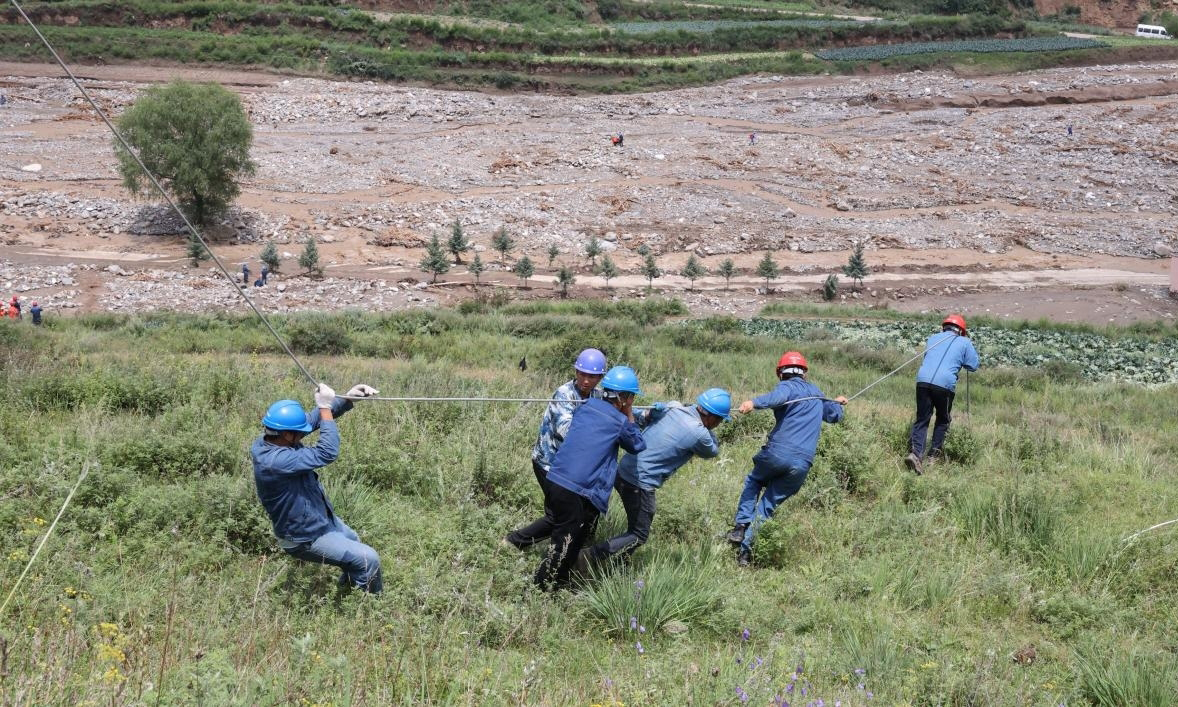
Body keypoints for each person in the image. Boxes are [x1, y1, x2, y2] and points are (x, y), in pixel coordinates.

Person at [516, 365, 646, 591]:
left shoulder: (586, 407)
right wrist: (628, 413)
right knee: (563, 544)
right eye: (631, 397)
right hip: (576, 488)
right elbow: (637, 444)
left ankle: (560, 581)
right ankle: (539, 590)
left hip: (557, 479)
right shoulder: (620, 422)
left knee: (573, 537)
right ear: (625, 398)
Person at [252, 382, 383, 593]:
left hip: (320, 520)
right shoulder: (275, 461)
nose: (303, 434)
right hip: (305, 537)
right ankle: (370, 609)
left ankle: (349, 591)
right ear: (287, 434)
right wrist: (324, 407)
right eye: (298, 432)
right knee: (369, 560)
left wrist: (347, 399)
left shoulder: (275, 439)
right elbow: (327, 452)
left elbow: (311, 420)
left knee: (355, 544)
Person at [583, 388, 730, 566]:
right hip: (639, 482)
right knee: (639, 534)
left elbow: (643, 416)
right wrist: (709, 430)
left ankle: (620, 565)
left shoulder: (673, 408)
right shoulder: (699, 433)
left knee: (635, 529)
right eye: (720, 420)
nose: (719, 424)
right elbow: (713, 451)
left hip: (623, 472)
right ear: (713, 417)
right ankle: (588, 557)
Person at [726, 351, 847, 567]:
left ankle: (740, 527)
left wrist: (753, 403)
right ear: (804, 374)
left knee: (754, 481)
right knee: (768, 505)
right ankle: (744, 556)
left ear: (781, 373)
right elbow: (834, 416)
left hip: (777, 452)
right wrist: (837, 403)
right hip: (802, 464)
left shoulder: (787, 387)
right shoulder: (817, 393)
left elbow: (777, 398)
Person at [505, 348, 607, 549]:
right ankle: (513, 542)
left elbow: (615, 414)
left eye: (592, 376)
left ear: (600, 377)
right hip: (549, 463)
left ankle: (574, 547)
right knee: (560, 516)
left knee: (584, 511)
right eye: (582, 374)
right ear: (576, 372)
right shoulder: (564, 394)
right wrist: (601, 432)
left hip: (571, 468)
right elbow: (566, 431)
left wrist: (644, 415)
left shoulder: (597, 395)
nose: (586, 380)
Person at [905, 314, 979, 475]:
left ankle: (916, 454)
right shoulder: (964, 342)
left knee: (922, 419)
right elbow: (973, 365)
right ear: (960, 330)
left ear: (944, 327)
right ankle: (933, 456)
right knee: (943, 419)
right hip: (944, 385)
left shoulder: (933, 338)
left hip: (923, 381)